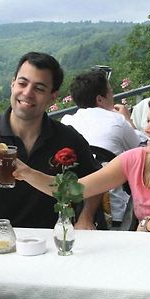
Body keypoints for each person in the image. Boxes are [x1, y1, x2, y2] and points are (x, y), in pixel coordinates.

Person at [14, 90, 150, 240]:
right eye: (148, 121)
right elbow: (70, 191)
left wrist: (147, 224)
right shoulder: (134, 159)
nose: (146, 129)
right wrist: (27, 172)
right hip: (148, 253)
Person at [0, 52, 104, 230]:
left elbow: (96, 181)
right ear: (12, 84)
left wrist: (85, 217)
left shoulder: (67, 138)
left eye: (39, 88)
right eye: (22, 83)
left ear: (53, 97)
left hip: (45, 239)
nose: (27, 93)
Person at [61, 70, 140, 226]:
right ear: (100, 99)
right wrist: (128, 120)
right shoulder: (117, 120)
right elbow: (140, 151)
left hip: (74, 209)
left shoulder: (66, 121)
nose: (113, 96)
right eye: (111, 92)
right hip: (116, 213)